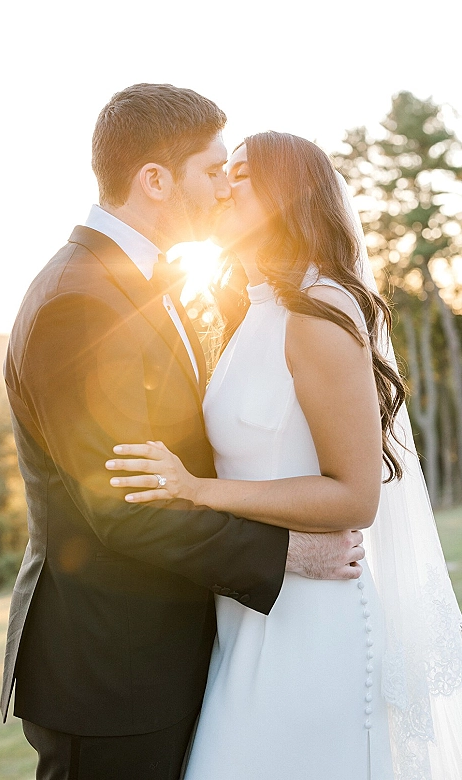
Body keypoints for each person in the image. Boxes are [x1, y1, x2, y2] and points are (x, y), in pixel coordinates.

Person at [0, 87, 364, 780]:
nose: (225, 185)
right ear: (156, 180)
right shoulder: (78, 300)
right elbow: (126, 508)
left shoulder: (146, 284)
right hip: (111, 674)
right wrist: (287, 555)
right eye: (212, 169)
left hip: (171, 651)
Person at [108, 131, 462, 778]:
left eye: (238, 175)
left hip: (315, 620)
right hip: (249, 612)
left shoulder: (319, 313)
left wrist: (195, 490)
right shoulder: (255, 314)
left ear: (283, 198)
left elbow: (355, 496)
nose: (221, 186)